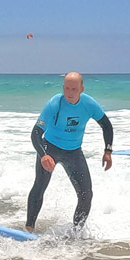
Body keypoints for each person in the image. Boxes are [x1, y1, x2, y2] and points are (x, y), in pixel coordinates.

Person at [26, 72, 114, 233]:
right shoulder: (55, 103)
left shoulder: (89, 104)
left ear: (82, 89)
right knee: (40, 186)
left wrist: (107, 151)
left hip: (73, 152)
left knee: (86, 194)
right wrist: (43, 154)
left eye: (74, 89)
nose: (70, 93)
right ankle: (29, 228)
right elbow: (36, 133)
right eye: (67, 88)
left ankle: (76, 232)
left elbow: (106, 125)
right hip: (50, 148)